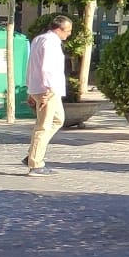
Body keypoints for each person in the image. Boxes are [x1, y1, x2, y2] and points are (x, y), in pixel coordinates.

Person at [23, 15, 74, 176]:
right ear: (58, 29)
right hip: (47, 89)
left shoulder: (39, 39)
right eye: (68, 31)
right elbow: (47, 68)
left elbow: (31, 65)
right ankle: (36, 163)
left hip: (43, 88)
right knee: (43, 125)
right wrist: (48, 89)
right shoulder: (50, 43)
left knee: (58, 119)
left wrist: (30, 88)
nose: (69, 34)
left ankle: (34, 153)